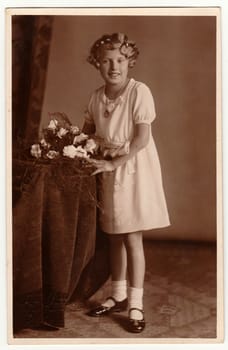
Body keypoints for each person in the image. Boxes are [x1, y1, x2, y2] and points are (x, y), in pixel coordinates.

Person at [82, 32, 170, 333]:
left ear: (130, 62)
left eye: (120, 60)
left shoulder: (139, 92)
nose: (113, 66)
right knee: (113, 236)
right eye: (106, 61)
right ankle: (118, 294)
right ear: (97, 64)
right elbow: (87, 134)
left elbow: (142, 138)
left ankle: (135, 302)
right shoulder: (96, 97)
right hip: (109, 171)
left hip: (133, 170)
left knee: (132, 236)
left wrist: (114, 160)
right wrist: (87, 146)